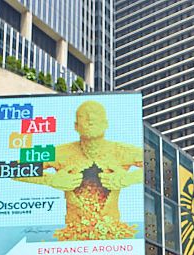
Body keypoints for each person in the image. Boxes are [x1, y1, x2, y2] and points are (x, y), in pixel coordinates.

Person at [14, 100, 143, 241]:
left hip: (113, 233)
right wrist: (50, 179)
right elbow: (13, 168)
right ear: (76, 126)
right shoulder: (61, 152)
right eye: (84, 116)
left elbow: (160, 163)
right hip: (73, 235)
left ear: (106, 124)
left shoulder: (122, 151)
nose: (91, 119)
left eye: (96, 115)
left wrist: (129, 178)